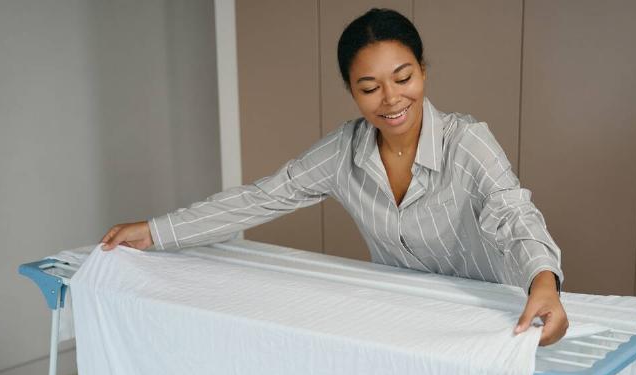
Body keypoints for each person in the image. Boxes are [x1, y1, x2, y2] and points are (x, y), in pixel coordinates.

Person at [100, 8, 568, 346]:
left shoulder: (466, 141)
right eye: (370, 87)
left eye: (403, 78)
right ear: (351, 91)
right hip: (408, 323)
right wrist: (156, 231)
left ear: (423, 71)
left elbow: (515, 215)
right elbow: (260, 198)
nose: (390, 99)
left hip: (500, 319)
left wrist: (544, 283)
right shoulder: (344, 152)